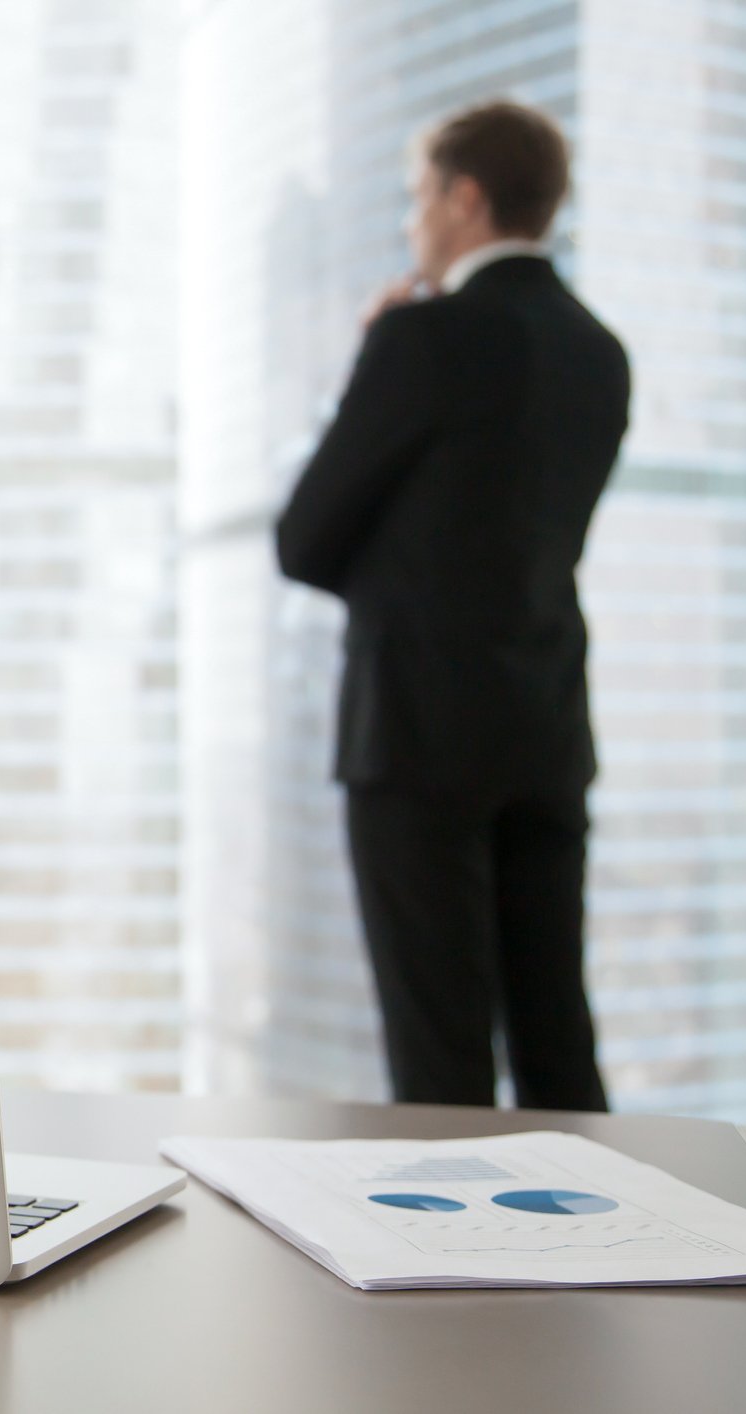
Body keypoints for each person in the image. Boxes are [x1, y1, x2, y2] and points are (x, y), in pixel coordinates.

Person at [275, 100, 629, 1111]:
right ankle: (614, 1263)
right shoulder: (598, 351)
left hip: (418, 735)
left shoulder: (422, 336)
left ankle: (464, 1272)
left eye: (419, 196)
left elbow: (306, 539)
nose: (412, 222)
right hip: (546, 724)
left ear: (466, 198)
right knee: (560, 1041)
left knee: (441, 1063)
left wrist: (376, 354)